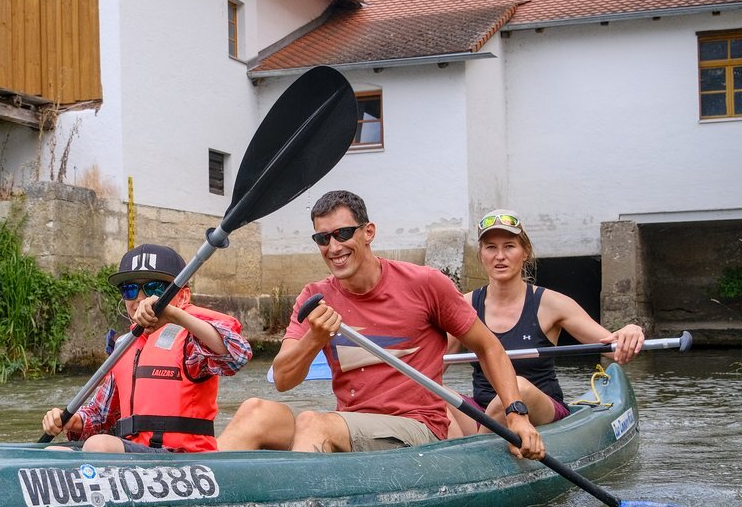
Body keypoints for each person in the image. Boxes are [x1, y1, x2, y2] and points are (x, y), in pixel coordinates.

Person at [216, 190, 545, 460]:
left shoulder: (425, 283)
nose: (334, 247)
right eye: (323, 238)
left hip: (417, 428)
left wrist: (517, 416)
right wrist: (314, 339)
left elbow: (488, 347)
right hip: (353, 425)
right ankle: (202, 499)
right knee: (254, 410)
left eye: (343, 233)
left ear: (368, 232)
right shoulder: (314, 296)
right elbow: (284, 380)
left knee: (313, 423)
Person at [446, 210, 646, 437]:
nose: (499, 256)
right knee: (428, 388)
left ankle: (476, 450)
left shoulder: (553, 304)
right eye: (491, 247)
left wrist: (633, 329)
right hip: (482, 411)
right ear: (481, 254)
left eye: (509, 246)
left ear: (525, 252)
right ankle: (456, 452)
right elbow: (430, 368)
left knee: (516, 388)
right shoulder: (463, 305)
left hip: (540, 407)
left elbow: (615, 350)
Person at [42, 243, 252, 453]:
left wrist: (173, 315)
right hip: (136, 455)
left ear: (183, 297)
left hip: (183, 460)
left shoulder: (192, 340)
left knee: (99, 445)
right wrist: (74, 421)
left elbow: (238, 355)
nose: (140, 298)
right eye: (130, 289)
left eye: (154, 288)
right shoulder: (124, 346)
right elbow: (100, 416)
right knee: (53, 454)